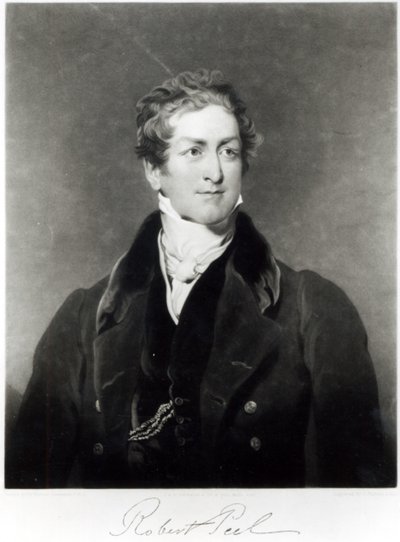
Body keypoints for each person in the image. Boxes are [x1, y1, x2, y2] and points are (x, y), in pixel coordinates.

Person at [7, 69, 386, 488]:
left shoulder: (313, 306)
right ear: (154, 170)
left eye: (229, 151)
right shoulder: (83, 315)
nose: (215, 173)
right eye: (194, 152)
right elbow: (27, 495)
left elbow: (359, 496)